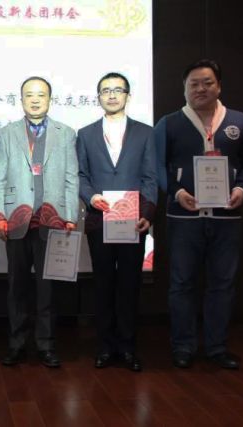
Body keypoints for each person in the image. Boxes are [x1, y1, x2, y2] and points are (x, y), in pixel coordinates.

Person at [155, 59, 243, 369]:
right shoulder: (169, 123)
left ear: (219, 86)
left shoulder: (239, 121)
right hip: (183, 217)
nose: (200, 89)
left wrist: (242, 187)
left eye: (207, 82)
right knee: (182, 283)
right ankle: (183, 347)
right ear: (184, 88)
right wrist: (176, 192)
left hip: (226, 217)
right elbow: (156, 165)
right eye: (194, 84)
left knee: (222, 284)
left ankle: (217, 347)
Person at [0, 76, 79, 368]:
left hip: (51, 220)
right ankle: (16, 344)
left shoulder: (66, 133)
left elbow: (71, 178)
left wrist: (70, 216)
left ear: (50, 99)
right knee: (16, 287)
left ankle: (46, 345)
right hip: (16, 220)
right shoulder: (6, 133)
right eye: (29, 95)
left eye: (41, 95)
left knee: (47, 289)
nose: (35, 99)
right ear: (21, 100)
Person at [77, 72, 157, 372]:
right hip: (99, 219)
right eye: (105, 90)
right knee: (103, 285)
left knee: (129, 285)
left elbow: (151, 177)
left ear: (128, 95)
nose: (111, 95)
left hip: (133, 220)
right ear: (98, 97)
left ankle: (127, 347)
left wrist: (147, 213)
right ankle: (104, 347)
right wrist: (91, 196)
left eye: (117, 90)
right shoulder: (85, 134)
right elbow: (81, 175)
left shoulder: (145, 133)